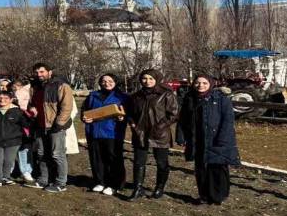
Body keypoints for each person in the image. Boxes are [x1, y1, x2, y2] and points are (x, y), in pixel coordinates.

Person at [178, 74, 240, 205]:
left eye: (204, 83)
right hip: (198, 139)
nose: (200, 86)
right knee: (200, 168)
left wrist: (223, 139)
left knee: (217, 168)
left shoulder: (221, 99)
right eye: (197, 83)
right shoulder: (190, 99)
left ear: (210, 84)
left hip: (216, 139)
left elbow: (228, 120)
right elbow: (183, 119)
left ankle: (218, 196)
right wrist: (181, 136)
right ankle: (204, 195)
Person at [128, 69, 179, 200]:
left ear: (156, 79)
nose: (147, 81)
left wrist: (160, 126)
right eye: (144, 78)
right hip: (140, 133)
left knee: (161, 162)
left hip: (160, 134)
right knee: (139, 162)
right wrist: (132, 123)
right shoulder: (136, 96)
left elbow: (173, 114)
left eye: (151, 78)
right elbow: (130, 113)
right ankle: (138, 188)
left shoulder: (166, 94)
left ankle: (159, 188)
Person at [24, 62, 74, 193]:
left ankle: (61, 182)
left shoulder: (61, 86)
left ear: (49, 72)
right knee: (41, 154)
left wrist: (59, 124)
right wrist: (31, 108)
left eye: (42, 72)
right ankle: (43, 179)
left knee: (57, 154)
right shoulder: (35, 87)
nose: (39, 74)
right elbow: (31, 103)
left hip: (55, 126)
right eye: (36, 72)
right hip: (39, 125)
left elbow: (67, 107)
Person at [81, 74, 129, 197]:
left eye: (110, 81)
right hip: (94, 131)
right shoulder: (93, 95)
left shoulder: (122, 97)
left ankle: (115, 184)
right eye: (104, 81)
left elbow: (128, 114)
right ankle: (100, 181)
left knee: (113, 159)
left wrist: (122, 117)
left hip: (112, 132)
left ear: (116, 82)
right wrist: (85, 118)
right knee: (97, 158)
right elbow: (84, 110)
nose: (106, 83)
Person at [10, 78, 35, 183]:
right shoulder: (10, 97)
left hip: (26, 124)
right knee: (11, 149)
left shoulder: (28, 94)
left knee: (24, 148)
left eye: (18, 86)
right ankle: (9, 170)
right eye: (14, 87)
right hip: (12, 125)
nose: (16, 89)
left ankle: (26, 171)